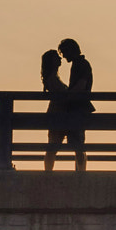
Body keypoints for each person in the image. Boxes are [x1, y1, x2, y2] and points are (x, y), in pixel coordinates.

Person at [43, 38, 94, 171]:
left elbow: (80, 86)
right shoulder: (77, 65)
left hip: (73, 110)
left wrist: (68, 95)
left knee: (73, 145)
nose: (63, 56)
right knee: (74, 145)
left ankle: (78, 172)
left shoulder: (80, 65)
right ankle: (80, 172)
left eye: (64, 52)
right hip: (65, 112)